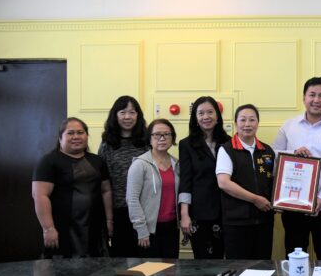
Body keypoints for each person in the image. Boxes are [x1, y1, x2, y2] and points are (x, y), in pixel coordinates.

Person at [273, 77, 321, 260]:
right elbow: (274, 155)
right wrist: (293, 153)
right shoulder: (289, 126)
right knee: (294, 253)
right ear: (304, 98)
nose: (316, 100)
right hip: (293, 204)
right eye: (312, 95)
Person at [32, 117, 114, 258]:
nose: (76, 137)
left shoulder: (97, 161)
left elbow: (106, 191)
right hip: (63, 230)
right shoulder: (48, 161)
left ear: (87, 136)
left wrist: (109, 221)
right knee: (63, 269)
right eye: (70, 133)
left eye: (80, 132)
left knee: (97, 267)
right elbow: (40, 196)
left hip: (95, 228)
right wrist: (48, 228)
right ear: (60, 138)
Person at [216, 104, 275, 259]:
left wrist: (280, 202)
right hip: (237, 222)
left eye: (252, 120)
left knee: (262, 265)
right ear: (236, 123)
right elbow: (224, 183)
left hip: (264, 220)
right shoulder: (226, 149)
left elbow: (276, 181)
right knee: (239, 267)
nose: (247, 124)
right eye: (243, 120)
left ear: (258, 123)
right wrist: (255, 199)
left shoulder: (267, 150)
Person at [179, 96, 230, 259]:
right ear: (195, 118)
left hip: (226, 211)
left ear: (217, 116)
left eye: (210, 112)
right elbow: (185, 181)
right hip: (199, 212)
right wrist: (184, 214)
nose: (206, 117)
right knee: (203, 261)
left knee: (224, 259)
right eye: (201, 113)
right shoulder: (186, 144)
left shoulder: (229, 142)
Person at [98, 96, 148, 257]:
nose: (128, 117)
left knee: (146, 259)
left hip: (145, 210)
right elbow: (103, 182)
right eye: (123, 112)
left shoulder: (147, 142)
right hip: (118, 211)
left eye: (132, 112)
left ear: (138, 115)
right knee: (121, 259)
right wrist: (108, 218)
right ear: (115, 115)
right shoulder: (107, 145)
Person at [127, 119, 180, 259]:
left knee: (171, 269)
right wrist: (141, 230)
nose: (162, 138)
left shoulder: (177, 164)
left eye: (166, 134)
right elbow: (132, 199)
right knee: (150, 270)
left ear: (172, 138)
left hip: (171, 227)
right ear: (149, 138)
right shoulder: (140, 164)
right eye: (157, 135)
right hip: (148, 229)